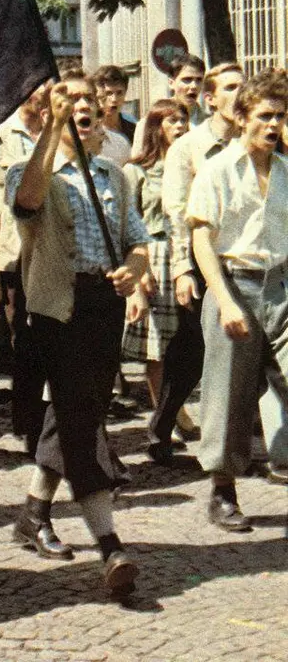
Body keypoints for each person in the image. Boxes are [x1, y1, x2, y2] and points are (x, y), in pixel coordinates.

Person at [6, 71, 149, 598]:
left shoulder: (114, 175)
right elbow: (27, 203)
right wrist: (54, 128)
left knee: (78, 410)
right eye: (70, 101)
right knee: (80, 423)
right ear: (49, 114)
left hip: (102, 306)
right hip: (56, 309)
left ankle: (33, 513)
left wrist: (134, 271)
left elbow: (136, 239)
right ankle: (110, 545)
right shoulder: (29, 170)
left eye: (88, 99)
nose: (82, 107)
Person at [188, 70, 288, 531]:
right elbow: (202, 240)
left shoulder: (285, 170)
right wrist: (225, 302)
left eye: (280, 116)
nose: (273, 125)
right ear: (243, 117)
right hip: (234, 284)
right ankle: (223, 490)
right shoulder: (218, 170)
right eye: (265, 116)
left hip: (281, 288)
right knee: (228, 393)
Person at [156, 63, 246, 462]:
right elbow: (176, 212)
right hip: (200, 259)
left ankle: (235, 437)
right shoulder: (188, 147)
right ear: (210, 98)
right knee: (193, 353)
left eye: (243, 86)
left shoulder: (253, 142)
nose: (239, 95)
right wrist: (181, 269)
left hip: (244, 258)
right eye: (230, 87)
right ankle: (163, 424)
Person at [0, 82, 48, 448]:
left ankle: (48, 419)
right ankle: (26, 419)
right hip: (12, 251)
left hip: (52, 248)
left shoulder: (58, 132)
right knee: (22, 335)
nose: (44, 92)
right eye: (37, 87)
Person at [119, 99, 190, 464]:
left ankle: (175, 409)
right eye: (172, 121)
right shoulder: (137, 171)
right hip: (153, 254)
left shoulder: (192, 165)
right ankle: (164, 419)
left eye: (184, 120)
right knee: (157, 346)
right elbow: (128, 223)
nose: (180, 126)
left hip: (184, 254)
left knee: (186, 343)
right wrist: (139, 269)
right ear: (156, 127)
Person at [132, 53, 208, 158]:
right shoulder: (150, 122)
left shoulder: (209, 122)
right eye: (187, 80)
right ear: (171, 83)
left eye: (199, 80)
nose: (194, 86)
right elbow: (140, 161)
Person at [91, 66, 133, 165]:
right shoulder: (90, 130)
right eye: (108, 93)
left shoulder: (133, 126)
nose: (114, 99)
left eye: (119, 93)